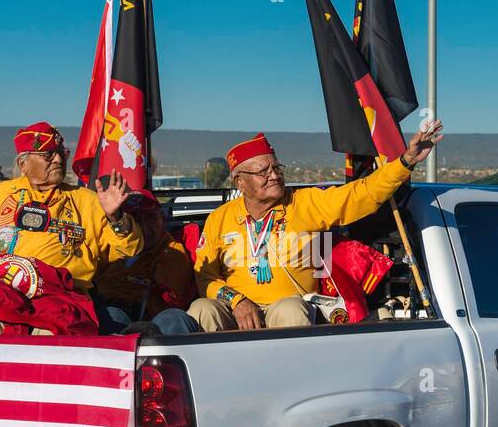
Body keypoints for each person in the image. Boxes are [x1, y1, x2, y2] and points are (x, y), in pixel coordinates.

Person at [190, 120, 444, 331]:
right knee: (202, 308)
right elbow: (205, 276)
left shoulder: (304, 203)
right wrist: (237, 301)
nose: (275, 175)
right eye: (264, 172)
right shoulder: (219, 218)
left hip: (289, 310)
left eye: (277, 168)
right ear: (240, 182)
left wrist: (406, 162)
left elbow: (360, 194)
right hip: (238, 311)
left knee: (289, 309)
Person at [0, 122, 143, 334]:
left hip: (60, 299)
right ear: (23, 164)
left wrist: (115, 217)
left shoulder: (87, 201)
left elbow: (128, 249)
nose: (57, 160)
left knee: (52, 332)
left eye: (61, 153)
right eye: (47, 155)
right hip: (0, 291)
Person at [92, 191, 199, 335]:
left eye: (150, 218)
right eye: (136, 219)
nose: (144, 226)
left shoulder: (173, 252)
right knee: (107, 315)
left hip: (154, 321)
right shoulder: (111, 248)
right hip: (113, 315)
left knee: (174, 318)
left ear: (161, 217)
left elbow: (169, 298)